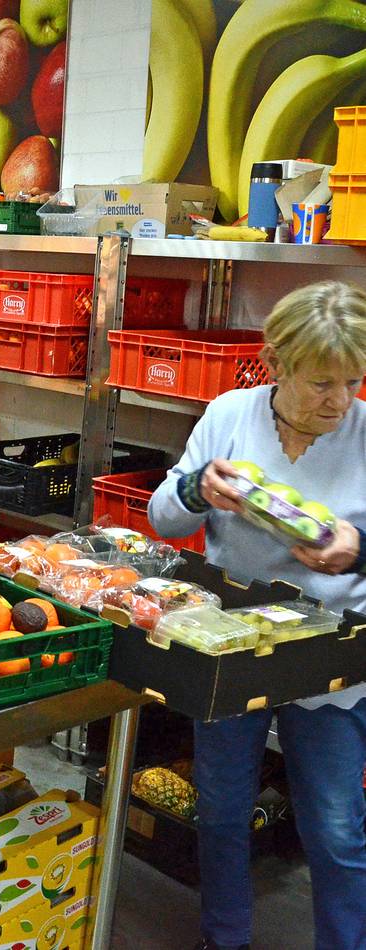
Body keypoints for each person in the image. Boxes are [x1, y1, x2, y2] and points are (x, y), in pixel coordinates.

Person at [148, 281, 366, 950]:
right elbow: (162, 515)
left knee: (334, 828)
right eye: (322, 382)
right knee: (220, 813)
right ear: (278, 362)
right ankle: (225, 938)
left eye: (353, 379)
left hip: (330, 660)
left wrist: (358, 554)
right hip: (231, 650)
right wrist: (194, 488)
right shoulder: (230, 417)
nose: (341, 399)